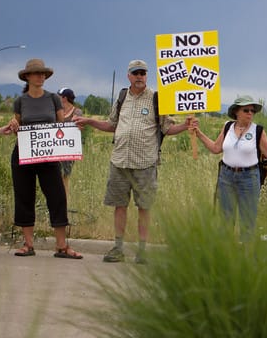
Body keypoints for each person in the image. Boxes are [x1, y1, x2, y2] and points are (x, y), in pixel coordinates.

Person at [74, 59, 190, 263]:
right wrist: (90, 121)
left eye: (143, 73)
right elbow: (112, 125)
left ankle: (142, 251)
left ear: (146, 76)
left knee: (144, 207)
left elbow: (167, 128)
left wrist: (186, 125)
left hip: (145, 163)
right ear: (128, 76)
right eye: (135, 73)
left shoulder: (156, 98)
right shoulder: (121, 97)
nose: (139, 76)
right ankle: (118, 248)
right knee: (119, 205)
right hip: (119, 161)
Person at [190, 95, 267, 241]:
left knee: (247, 221)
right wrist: (199, 133)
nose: (250, 113)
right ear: (236, 112)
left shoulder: (257, 131)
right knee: (225, 220)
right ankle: (227, 257)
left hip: (249, 178)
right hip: (226, 177)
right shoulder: (227, 126)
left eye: (253, 111)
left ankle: (246, 258)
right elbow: (216, 148)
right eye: (246, 110)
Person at [10, 59, 82, 258]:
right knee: (24, 196)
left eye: (43, 73)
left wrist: (73, 130)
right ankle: (28, 244)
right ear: (27, 77)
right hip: (24, 154)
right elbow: (17, 128)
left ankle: (61, 246)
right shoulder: (20, 101)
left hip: (48, 155)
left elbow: (61, 125)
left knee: (57, 197)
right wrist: (14, 126)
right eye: (36, 73)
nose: (40, 76)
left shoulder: (53, 99)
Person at [57, 88, 82, 199]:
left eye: (59, 96)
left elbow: (79, 127)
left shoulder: (76, 112)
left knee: (65, 176)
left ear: (64, 98)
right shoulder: (56, 111)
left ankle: (65, 200)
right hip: (56, 148)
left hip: (69, 149)